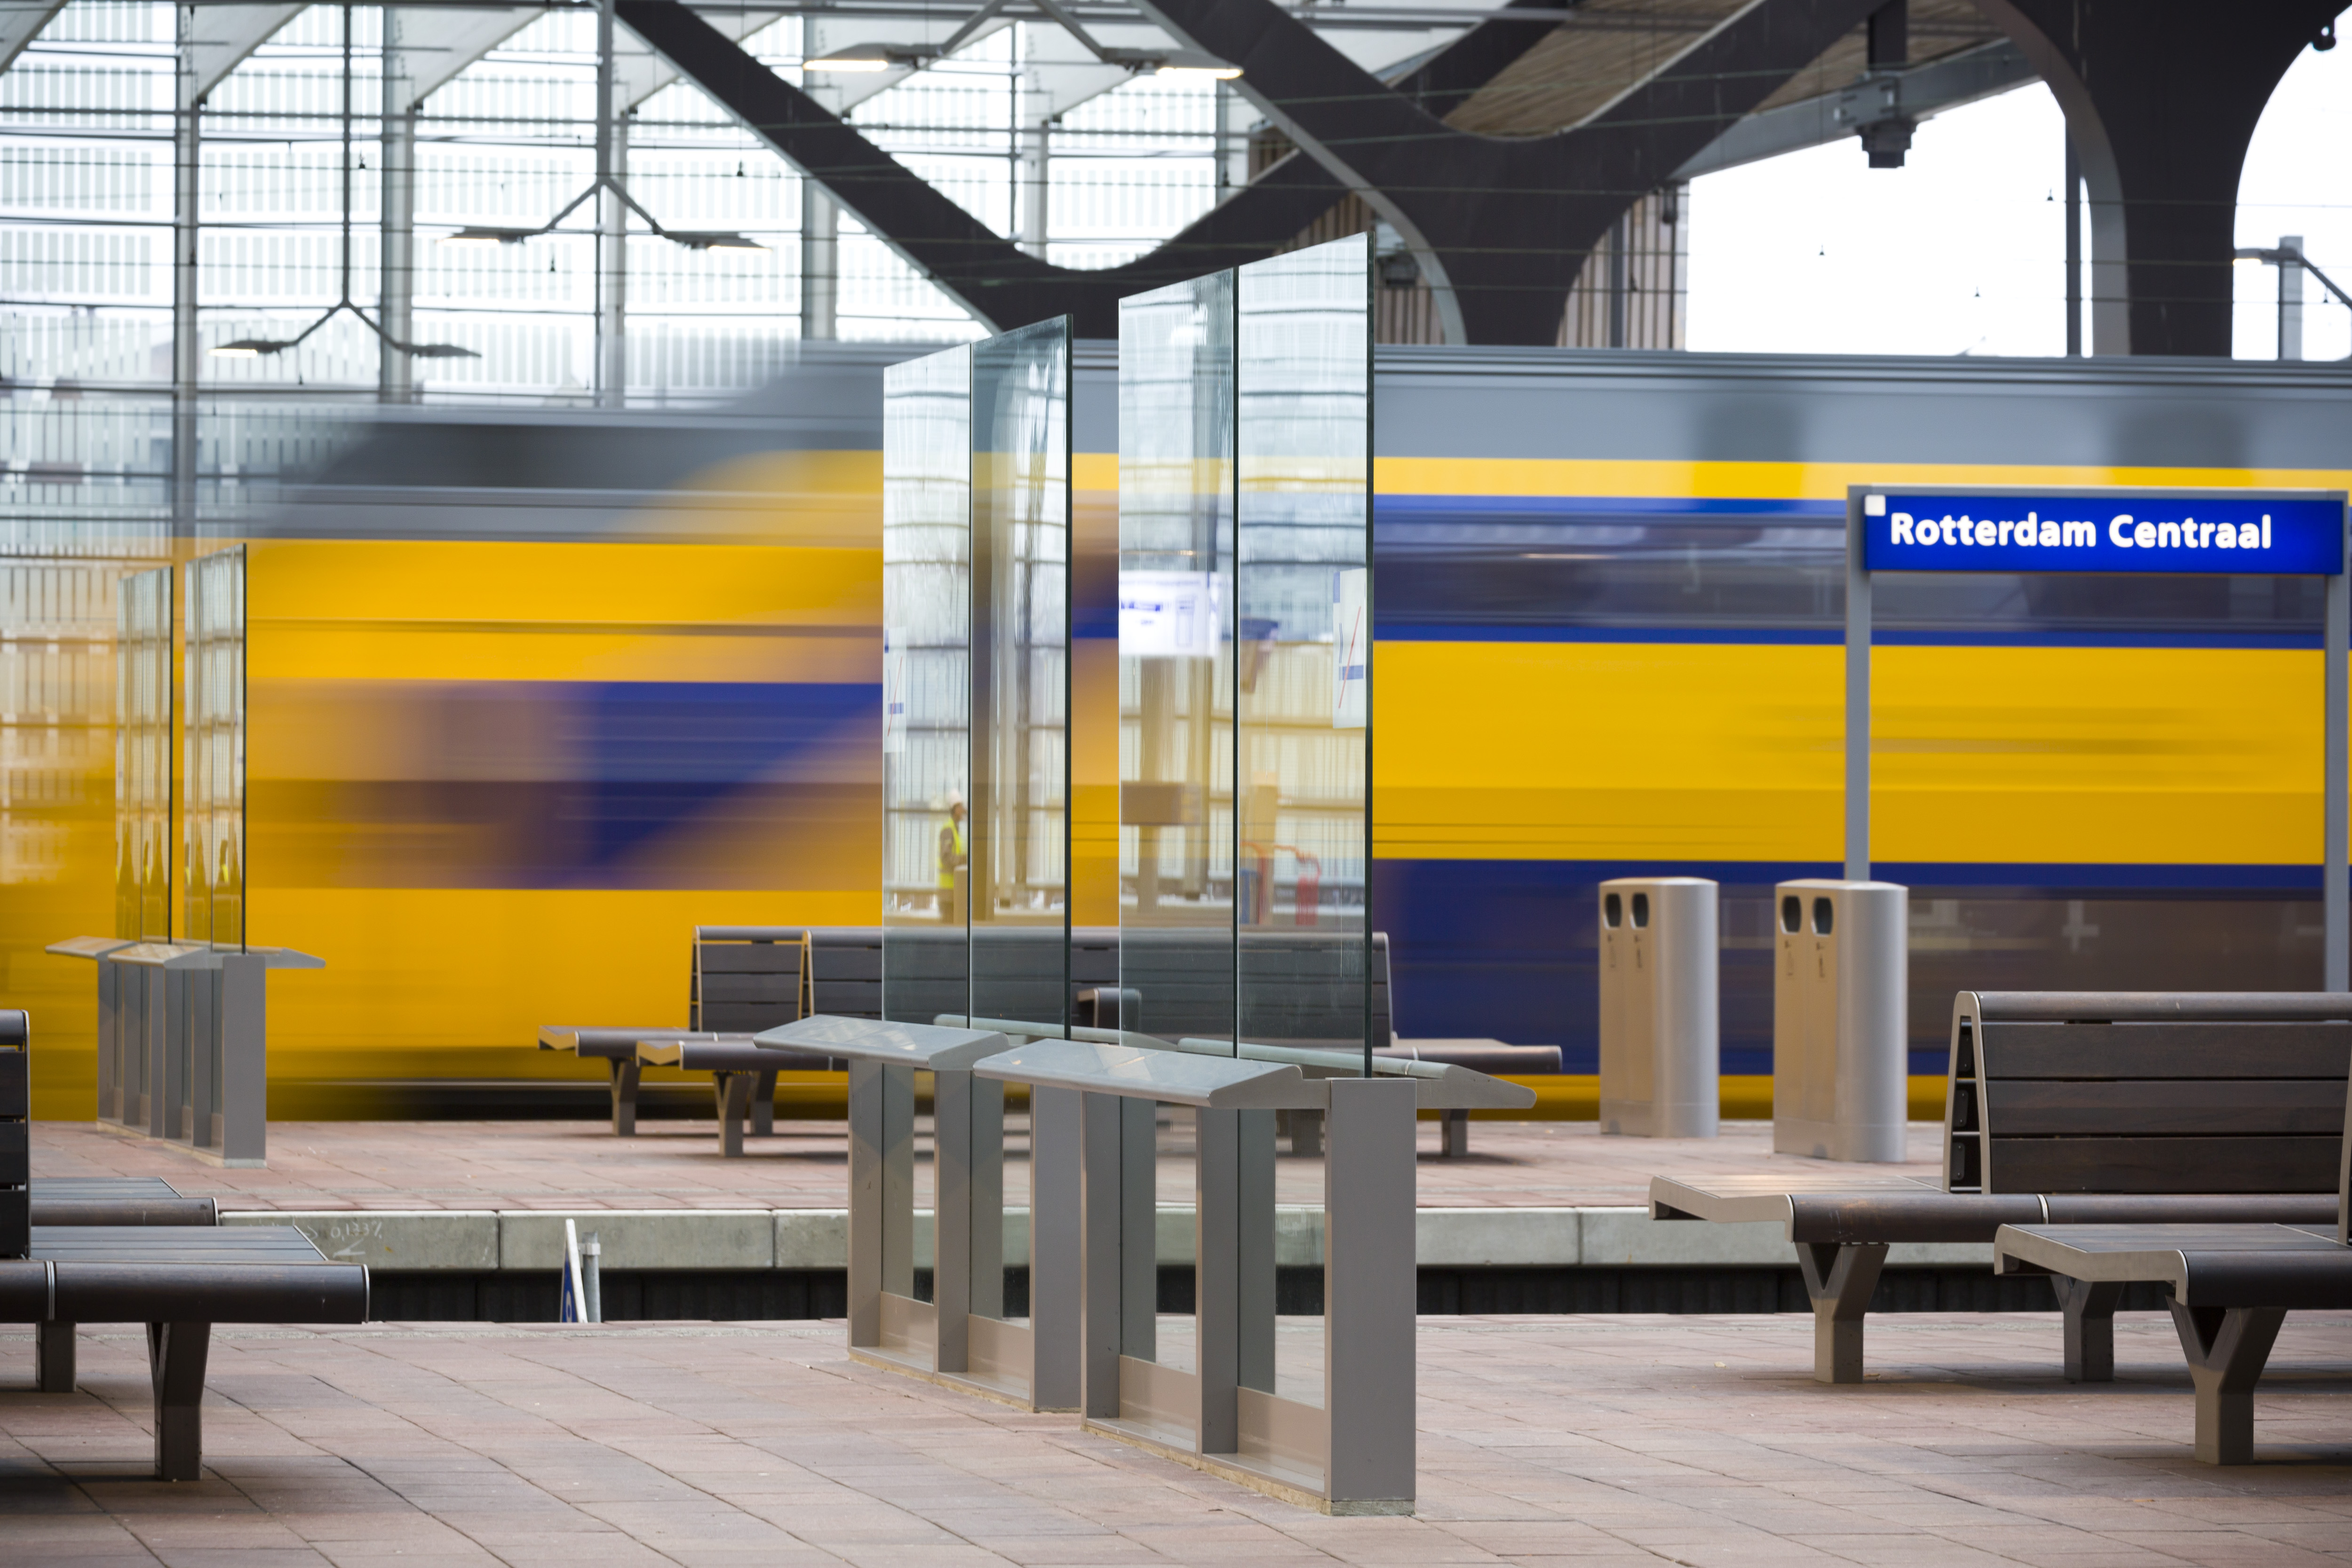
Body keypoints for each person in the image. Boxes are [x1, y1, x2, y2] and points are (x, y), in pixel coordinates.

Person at [937, 792, 968, 926]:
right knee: (948, 931)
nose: (963, 810)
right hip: (948, 892)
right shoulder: (948, 830)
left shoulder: (955, 830)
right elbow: (946, 858)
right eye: (961, 807)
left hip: (953, 891)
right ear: (955, 809)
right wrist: (964, 860)